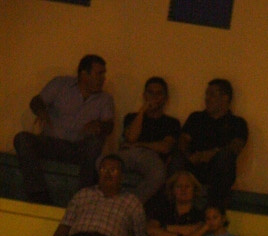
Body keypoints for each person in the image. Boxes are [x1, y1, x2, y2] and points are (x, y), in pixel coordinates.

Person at [14, 55, 114, 205]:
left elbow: (109, 126)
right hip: (51, 143)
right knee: (22, 138)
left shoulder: (105, 99)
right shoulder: (61, 84)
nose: (103, 78)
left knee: (95, 144)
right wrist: (41, 111)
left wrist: (99, 125)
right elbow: (36, 101)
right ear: (84, 74)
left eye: (104, 74)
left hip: (79, 149)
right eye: (99, 73)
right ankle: (38, 194)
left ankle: (82, 198)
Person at [172, 79, 248, 205]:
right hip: (193, 167)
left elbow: (235, 148)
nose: (207, 99)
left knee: (225, 158)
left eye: (212, 94)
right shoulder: (196, 118)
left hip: (216, 171)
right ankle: (173, 208)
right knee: (177, 158)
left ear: (225, 98)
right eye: (206, 94)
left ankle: (214, 207)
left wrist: (211, 154)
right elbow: (183, 140)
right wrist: (190, 156)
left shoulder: (237, 123)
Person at [116, 77, 180, 206]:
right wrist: (142, 111)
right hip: (129, 154)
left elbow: (165, 147)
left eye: (158, 93)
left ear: (165, 98)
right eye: (150, 92)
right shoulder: (132, 117)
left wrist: (140, 144)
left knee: (158, 175)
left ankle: (130, 205)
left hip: (152, 158)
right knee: (101, 162)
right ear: (144, 95)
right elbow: (131, 137)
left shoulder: (171, 123)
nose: (154, 97)